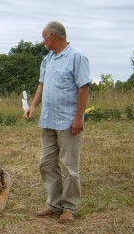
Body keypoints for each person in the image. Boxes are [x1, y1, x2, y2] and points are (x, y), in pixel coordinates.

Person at [25, 21, 90, 222]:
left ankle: (69, 208)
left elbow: (84, 88)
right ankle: (54, 204)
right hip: (48, 120)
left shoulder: (76, 57)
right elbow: (42, 85)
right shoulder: (48, 59)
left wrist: (78, 117)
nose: (43, 41)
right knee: (46, 163)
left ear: (53, 36)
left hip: (68, 121)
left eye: (44, 37)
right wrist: (33, 106)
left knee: (69, 166)